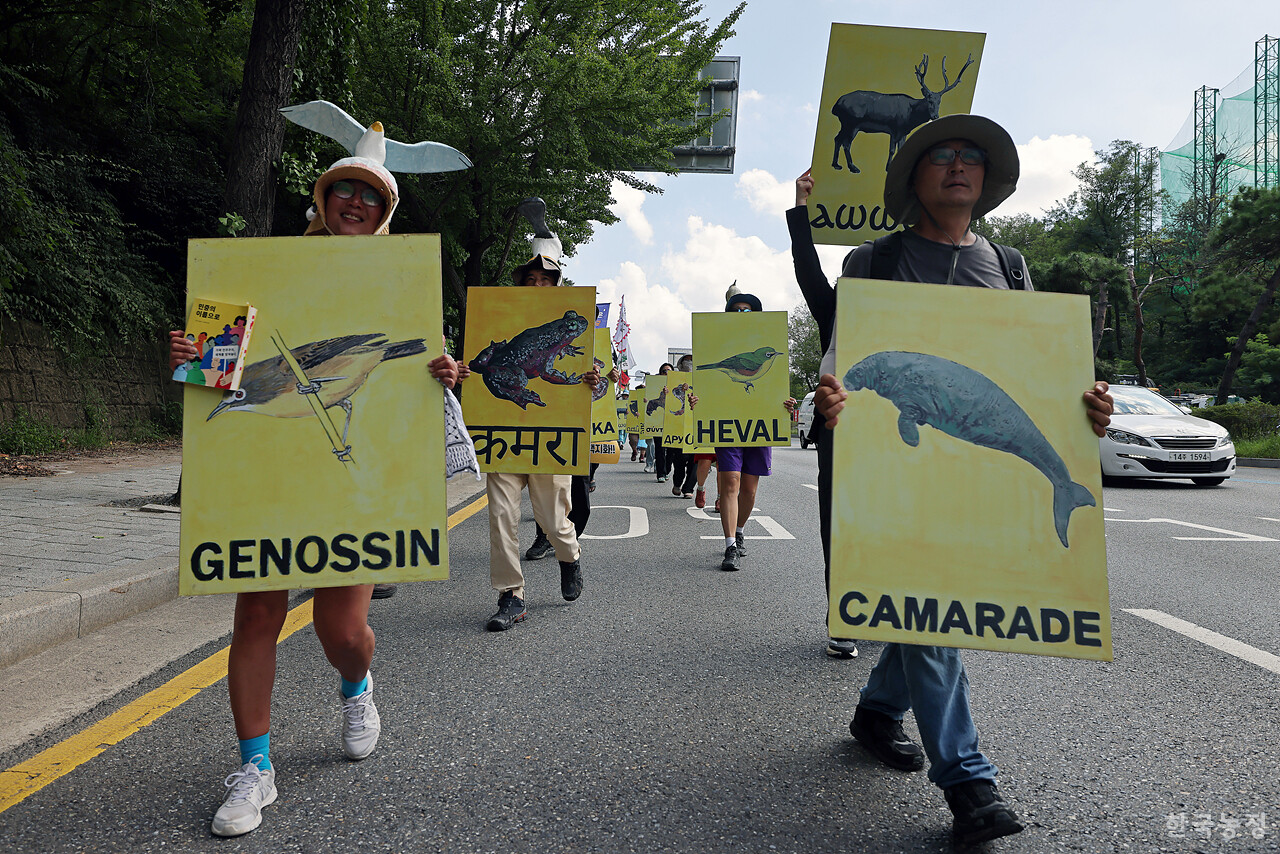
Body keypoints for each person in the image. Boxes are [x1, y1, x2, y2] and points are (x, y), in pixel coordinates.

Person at [810, 113, 1114, 846]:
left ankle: (877, 712)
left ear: (986, 178)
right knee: (930, 601)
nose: (957, 166)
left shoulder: (1010, 267)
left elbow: (1039, 370)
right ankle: (969, 782)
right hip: (895, 477)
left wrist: (1089, 408)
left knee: (928, 608)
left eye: (970, 156)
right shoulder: (873, 261)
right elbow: (838, 362)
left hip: (974, 474)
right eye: (940, 156)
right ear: (912, 178)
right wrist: (831, 399)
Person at [168, 134, 462, 837]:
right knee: (256, 617)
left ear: (386, 212)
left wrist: (443, 375)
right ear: (323, 199)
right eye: (344, 190)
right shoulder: (263, 273)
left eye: (371, 196)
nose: (355, 202)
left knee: (344, 631)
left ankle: (357, 687)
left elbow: (413, 373)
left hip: (350, 488)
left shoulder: (401, 282)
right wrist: (190, 356)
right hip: (269, 482)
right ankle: (255, 769)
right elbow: (218, 380)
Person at [458, 223, 601, 632]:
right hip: (503, 432)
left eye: (545, 279)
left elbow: (597, 384)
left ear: (557, 285)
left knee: (553, 520)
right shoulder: (501, 314)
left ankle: (570, 556)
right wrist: (466, 371)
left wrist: (592, 381)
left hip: (550, 437)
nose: (537, 285)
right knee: (501, 515)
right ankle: (511, 594)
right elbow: (484, 360)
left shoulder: (572, 328)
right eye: (531, 279)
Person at [711, 288, 797, 571]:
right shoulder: (714, 339)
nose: (741, 314)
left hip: (760, 424)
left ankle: (739, 531)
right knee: (731, 481)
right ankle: (730, 546)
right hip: (727, 421)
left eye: (747, 310)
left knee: (748, 489)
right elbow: (710, 385)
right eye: (736, 310)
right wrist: (698, 401)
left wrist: (785, 403)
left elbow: (775, 386)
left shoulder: (771, 341)